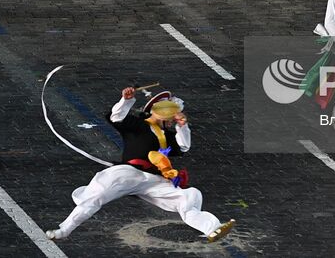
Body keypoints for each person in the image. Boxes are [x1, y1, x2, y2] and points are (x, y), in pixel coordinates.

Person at [44, 87, 236, 243]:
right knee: (97, 195)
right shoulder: (138, 125)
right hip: (128, 173)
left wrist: (182, 126)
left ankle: (212, 228)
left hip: (153, 180)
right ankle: (64, 229)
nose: (172, 118)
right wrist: (126, 100)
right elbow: (116, 118)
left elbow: (183, 147)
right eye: (171, 113)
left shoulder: (167, 136)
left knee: (188, 196)